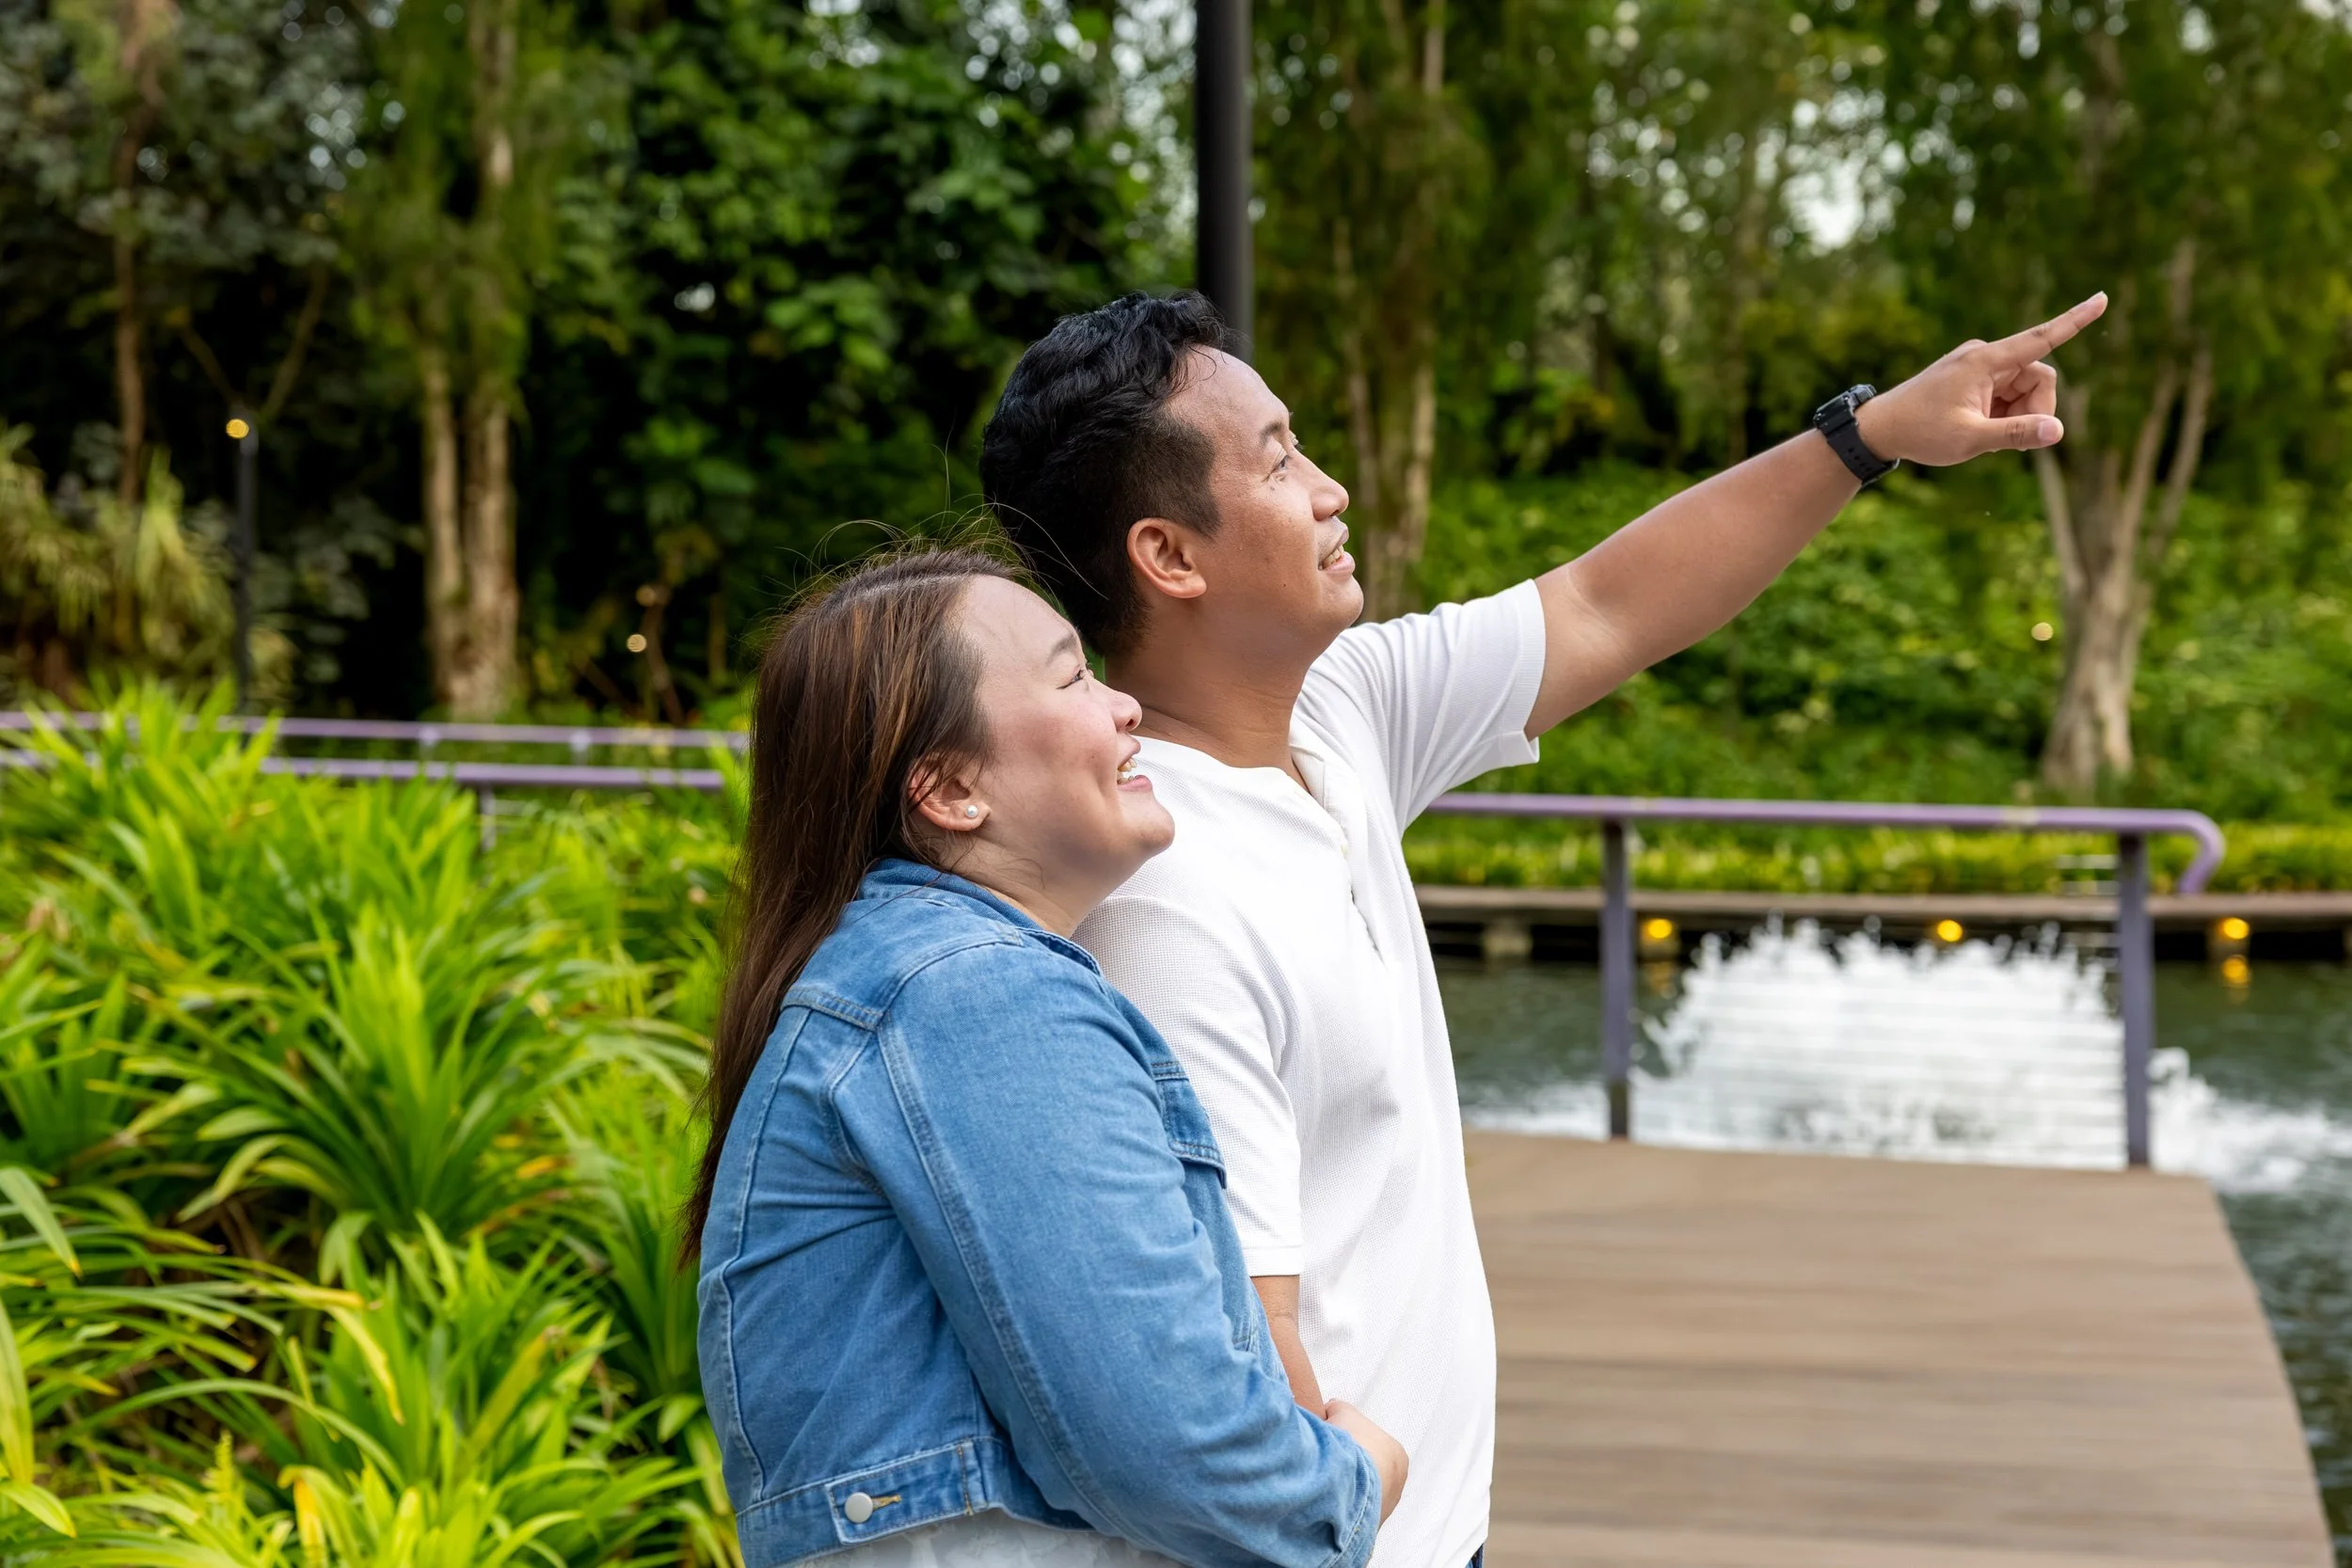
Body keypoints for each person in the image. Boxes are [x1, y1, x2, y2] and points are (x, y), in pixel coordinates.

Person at [978, 290, 2107, 1567]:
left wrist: (1872, 434)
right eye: (1282, 459)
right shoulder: (1164, 895)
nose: (1333, 490)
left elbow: (1604, 606)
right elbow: (1241, 1334)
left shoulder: (1336, 712)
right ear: (1169, 555)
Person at [688, 546, 1407, 1567]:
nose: (1126, 707)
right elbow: (1168, 1440)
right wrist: (1349, 1482)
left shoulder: (913, 979)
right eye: (1072, 678)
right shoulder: (975, 992)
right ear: (950, 790)